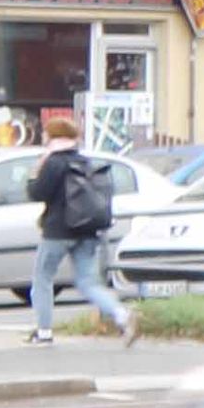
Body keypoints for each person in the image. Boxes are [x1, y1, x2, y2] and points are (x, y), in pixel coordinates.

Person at [24, 129, 136, 344]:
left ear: (53, 136)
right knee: (87, 282)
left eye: (45, 134)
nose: (43, 137)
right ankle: (121, 314)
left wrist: (34, 174)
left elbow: (37, 193)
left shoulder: (53, 162)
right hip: (87, 231)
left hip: (57, 232)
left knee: (43, 278)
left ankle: (44, 331)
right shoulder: (85, 162)